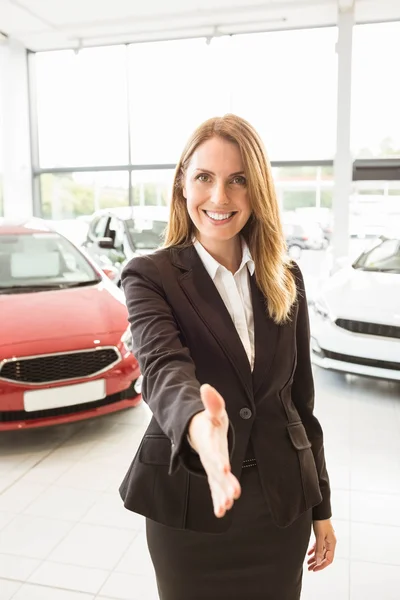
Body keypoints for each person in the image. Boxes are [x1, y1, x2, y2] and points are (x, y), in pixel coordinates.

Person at [119, 114, 336, 600]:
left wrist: (321, 507)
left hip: (282, 509)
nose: (220, 198)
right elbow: (162, 368)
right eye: (204, 178)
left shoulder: (286, 278)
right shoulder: (151, 275)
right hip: (193, 507)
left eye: (238, 180)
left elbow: (300, 404)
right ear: (181, 185)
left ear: (257, 189)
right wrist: (200, 427)